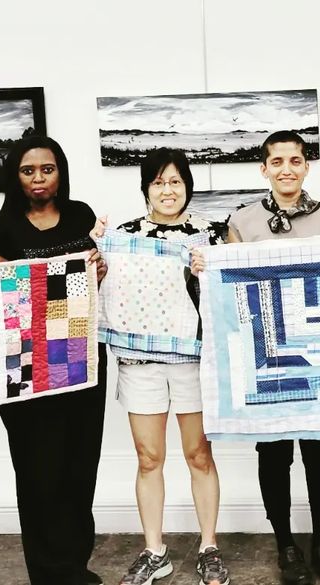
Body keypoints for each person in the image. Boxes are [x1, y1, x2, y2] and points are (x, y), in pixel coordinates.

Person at [192, 131, 320, 585]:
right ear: (263, 168)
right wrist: (206, 268)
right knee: (274, 451)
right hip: (264, 353)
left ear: (307, 166)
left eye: (295, 160)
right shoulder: (242, 220)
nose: (286, 169)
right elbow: (228, 288)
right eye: (277, 161)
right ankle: (285, 544)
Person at [91, 149, 228, 585]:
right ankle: (154, 550)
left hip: (194, 361)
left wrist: (209, 272)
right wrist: (94, 256)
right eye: (158, 182)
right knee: (148, 457)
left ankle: (209, 547)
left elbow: (230, 296)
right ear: (146, 188)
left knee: (199, 454)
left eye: (175, 181)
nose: (167, 191)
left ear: (187, 185)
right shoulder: (123, 236)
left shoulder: (212, 235)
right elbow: (100, 288)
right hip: (140, 362)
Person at [0, 135, 109, 585]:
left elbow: (99, 281)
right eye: (28, 170)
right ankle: (47, 572)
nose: (38, 178)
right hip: (26, 369)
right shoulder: (3, 229)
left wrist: (101, 269)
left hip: (81, 360)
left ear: (61, 173)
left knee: (80, 467)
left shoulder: (81, 216)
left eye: (47, 169)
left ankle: (75, 566)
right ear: (15, 177)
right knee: (39, 472)